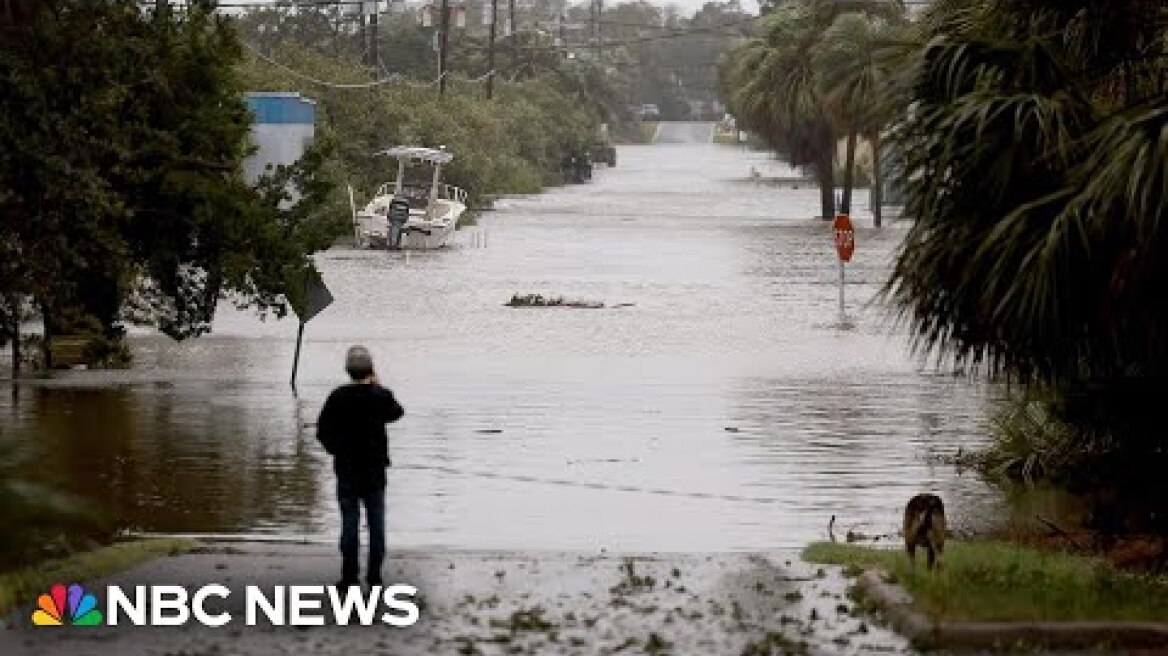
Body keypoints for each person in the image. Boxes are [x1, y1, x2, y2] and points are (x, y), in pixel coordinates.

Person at [316, 345, 404, 587]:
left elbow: (323, 431)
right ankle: (374, 577)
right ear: (370, 368)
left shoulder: (338, 396)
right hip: (374, 469)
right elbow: (397, 413)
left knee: (349, 522)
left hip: (346, 468)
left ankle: (349, 577)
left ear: (348, 370)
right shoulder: (381, 396)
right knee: (376, 524)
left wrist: (336, 450)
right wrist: (378, 385)